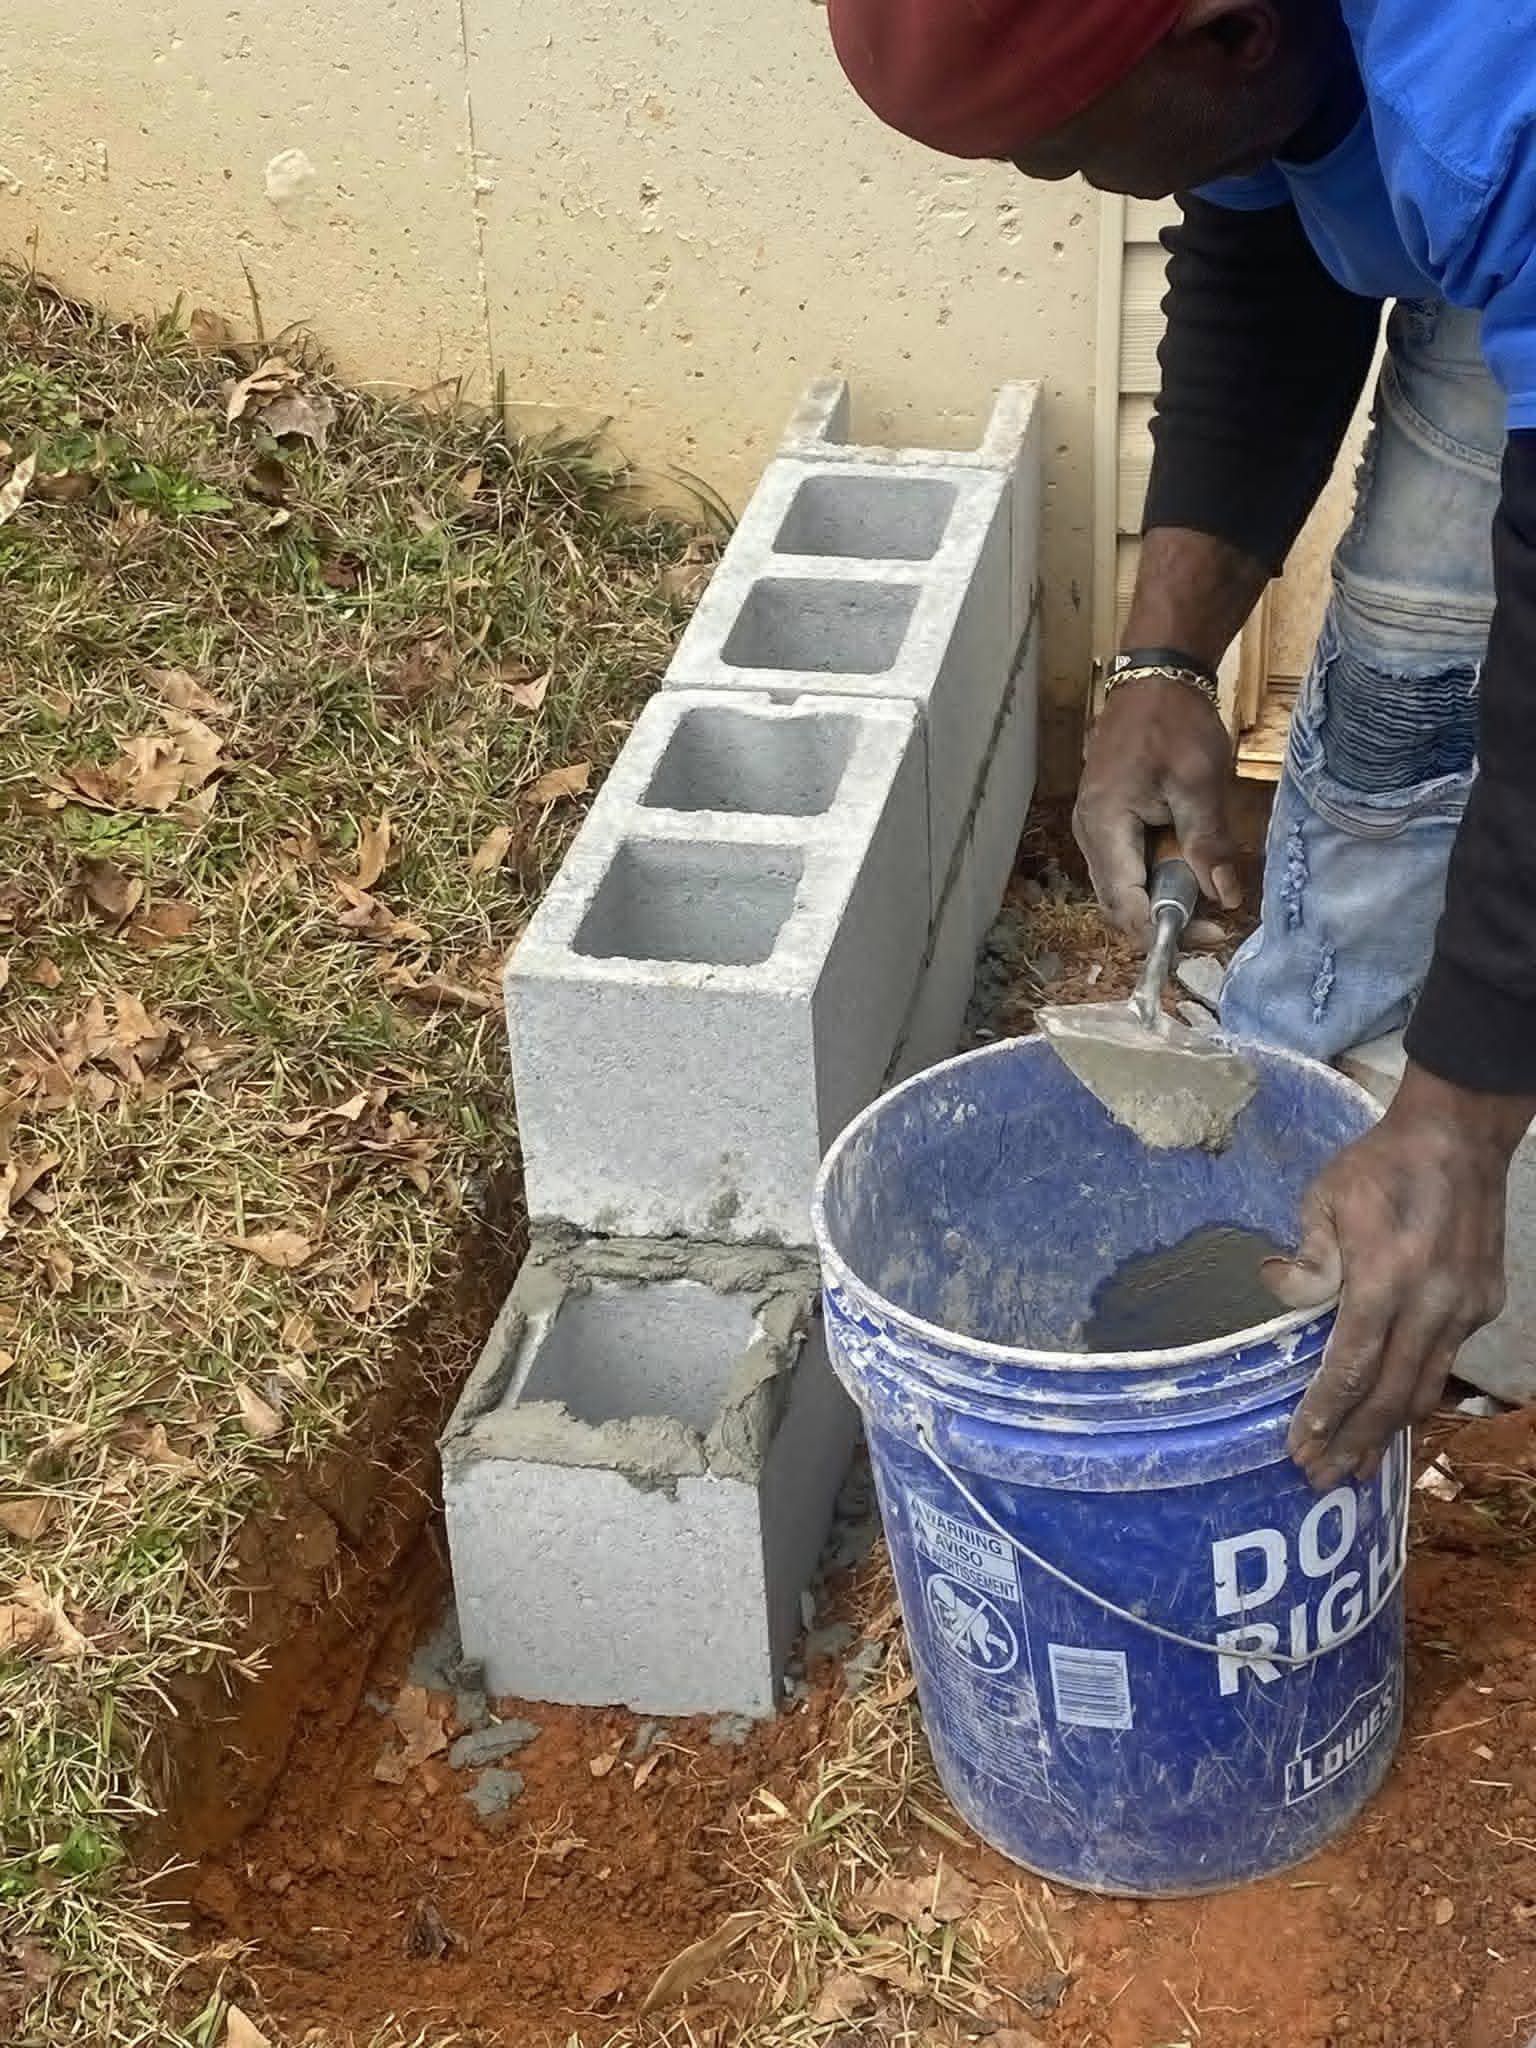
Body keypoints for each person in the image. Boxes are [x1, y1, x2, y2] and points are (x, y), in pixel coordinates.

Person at [825, 0, 1536, 1491]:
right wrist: (1161, 658)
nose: (1049, 184)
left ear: (1227, 33)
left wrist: (1463, 1134)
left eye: (1063, 148)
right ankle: (1355, 1067)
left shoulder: (1489, 112)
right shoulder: (1256, 51)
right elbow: (1263, 244)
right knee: (1406, 676)